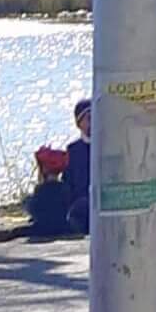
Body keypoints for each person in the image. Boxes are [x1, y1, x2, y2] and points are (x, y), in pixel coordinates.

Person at [64, 98, 91, 234]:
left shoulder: (107, 145)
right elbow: (68, 181)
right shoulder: (73, 149)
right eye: (88, 118)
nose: (92, 122)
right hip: (81, 206)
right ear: (79, 123)